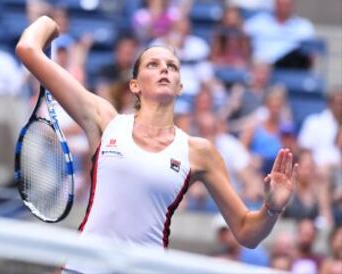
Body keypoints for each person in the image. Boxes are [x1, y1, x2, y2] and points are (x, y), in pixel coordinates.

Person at [16, 16, 299, 274]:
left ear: (179, 86)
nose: (164, 69)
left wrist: (271, 209)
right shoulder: (105, 120)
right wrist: (49, 23)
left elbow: (247, 233)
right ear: (135, 85)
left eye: (172, 66)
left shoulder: (199, 152)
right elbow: (28, 49)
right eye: (153, 64)